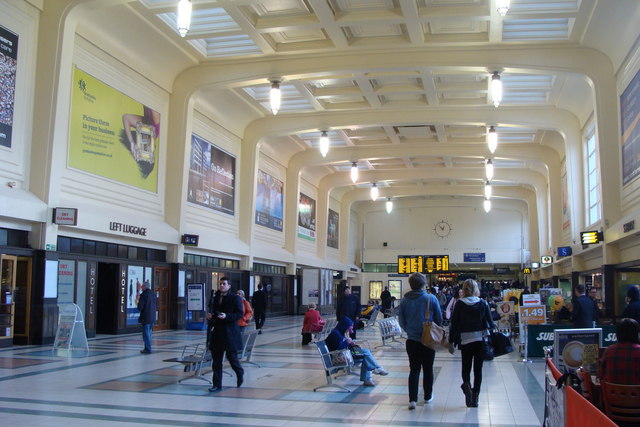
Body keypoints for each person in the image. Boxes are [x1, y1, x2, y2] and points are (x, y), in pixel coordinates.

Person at [398, 272, 443, 410]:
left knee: (414, 370)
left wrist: (411, 331)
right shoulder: (431, 298)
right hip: (428, 340)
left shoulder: (404, 300)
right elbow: (439, 319)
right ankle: (428, 396)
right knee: (428, 369)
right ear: (424, 284)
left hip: (412, 340)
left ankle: (412, 399)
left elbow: (401, 321)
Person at [448, 279, 496, 408]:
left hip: (465, 340)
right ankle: (475, 397)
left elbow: (454, 324)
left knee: (466, 367)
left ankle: (467, 387)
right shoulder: (483, 303)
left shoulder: (459, 304)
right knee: (478, 369)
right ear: (476, 289)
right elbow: (491, 323)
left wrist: (451, 342)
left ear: (463, 289)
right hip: (480, 340)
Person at [325, 316, 388, 387]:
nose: (352, 328)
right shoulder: (335, 334)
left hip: (344, 354)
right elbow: (336, 349)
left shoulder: (341, 332)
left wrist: (350, 343)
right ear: (345, 326)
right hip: (337, 358)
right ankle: (372, 373)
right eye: (350, 326)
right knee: (366, 354)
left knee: (365, 353)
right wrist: (347, 342)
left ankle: (373, 372)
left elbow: (343, 346)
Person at [207, 277, 244, 392]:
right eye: (220, 284)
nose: (222, 286)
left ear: (229, 286)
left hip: (229, 333)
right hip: (218, 332)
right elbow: (214, 312)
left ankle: (239, 372)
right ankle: (217, 385)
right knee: (216, 360)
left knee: (232, 358)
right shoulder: (215, 297)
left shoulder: (235, 298)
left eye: (224, 284)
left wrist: (226, 316)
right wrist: (211, 316)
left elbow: (239, 314)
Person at [598, 318, 640, 385]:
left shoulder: (609, 350)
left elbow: (601, 376)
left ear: (617, 334)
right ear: (636, 333)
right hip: (636, 394)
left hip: (610, 394)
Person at [137, 281, 157, 354]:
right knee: (149, 333)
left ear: (145, 287)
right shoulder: (153, 294)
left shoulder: (143, 295)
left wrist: (138, 304)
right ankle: (147, 347)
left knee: (146, 334)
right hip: (152, 317)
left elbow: (140, 307)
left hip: (145, 317)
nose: (141, 287)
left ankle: (148, 349)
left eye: (142, 286)